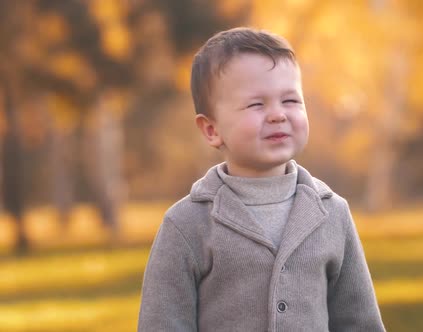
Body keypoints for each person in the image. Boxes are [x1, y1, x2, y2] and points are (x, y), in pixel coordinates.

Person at [138, 27, 385, 331]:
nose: (277, 115)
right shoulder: (188, 224)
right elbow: (162, 323)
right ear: (211, 129)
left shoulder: (333, 214)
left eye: (291, 101)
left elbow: (360, 323)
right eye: (257, 104)